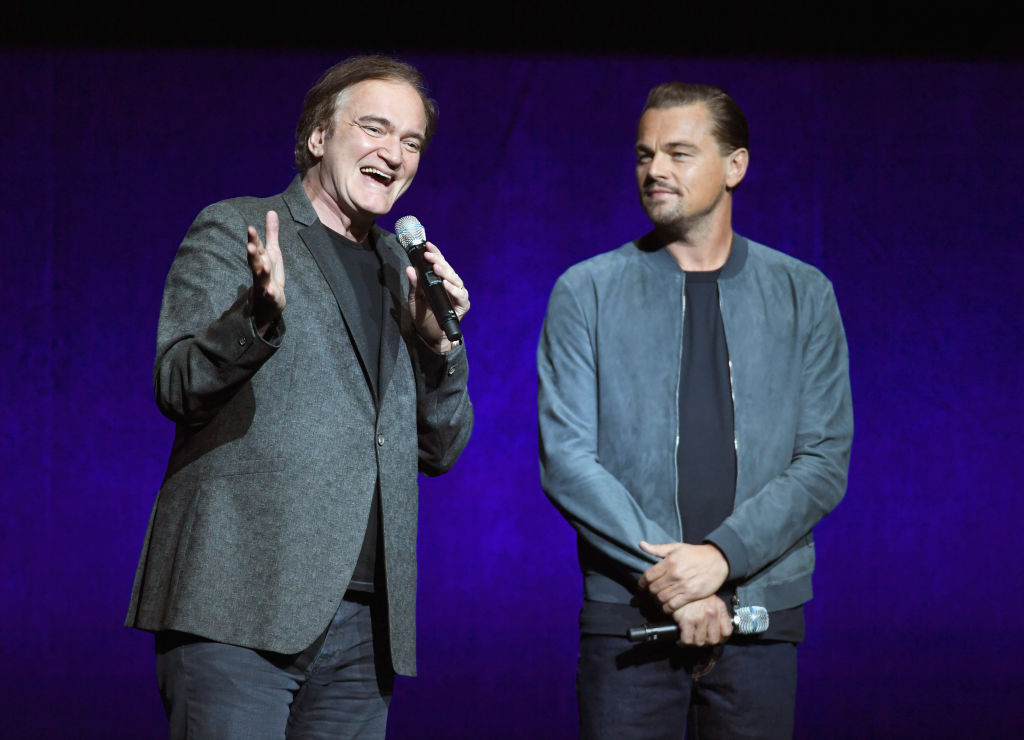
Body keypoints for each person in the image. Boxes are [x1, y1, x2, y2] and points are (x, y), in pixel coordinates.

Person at [125, 55, 473, 738]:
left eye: (411, 142)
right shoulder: (238, 228)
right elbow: (177, 384)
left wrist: (440, 349)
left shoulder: (403, 272)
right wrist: (256, 316)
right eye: (375, 129)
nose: (394, 154)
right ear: (319, 137)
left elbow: (439, 450)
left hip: (365, 625)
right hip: (238, 605)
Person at [537, 82, 853, 738]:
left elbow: (824, 461)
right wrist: (677, 580)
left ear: (735, 165)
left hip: (759, 626)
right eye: (644, 154)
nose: (655, 170)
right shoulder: (586, 291)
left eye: (679, 153)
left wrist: (722, 559)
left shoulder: (804, 294)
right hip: (628, 620)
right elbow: (567, 461)